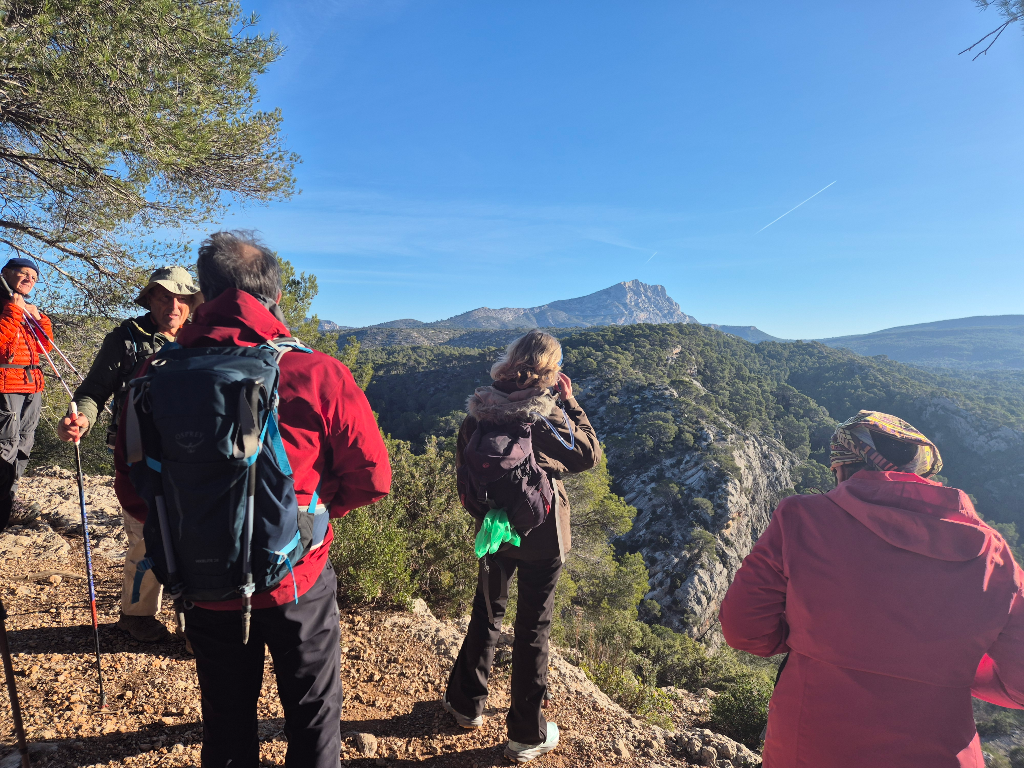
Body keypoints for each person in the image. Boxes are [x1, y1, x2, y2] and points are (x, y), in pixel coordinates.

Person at [116, 231, 391, 768]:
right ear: (276, 297)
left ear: (203, 295)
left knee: (225, 721)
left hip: (201, 581)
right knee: (313, 720)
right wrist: (309, 511)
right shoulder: (317, 372)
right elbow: (373, 479)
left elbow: (133, 490)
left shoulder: (150, 378)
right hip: (297, 579)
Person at [719, 410, 1024, 768]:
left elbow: (744, 630)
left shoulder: (802, 518)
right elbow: (1018, 685)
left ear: (845, 467)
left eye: (834, 472)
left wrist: (814, 640)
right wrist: (942, 665)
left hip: (812, 747)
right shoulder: (994, 553)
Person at [443, 330, 601, 763]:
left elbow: (464, 468)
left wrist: (486, 516)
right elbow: (588, 456)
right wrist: (570, 402)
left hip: (495, 529)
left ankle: (464, 705)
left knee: (486, 612)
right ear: (551, 371)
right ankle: (526, 733)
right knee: (533, 628)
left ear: (511, 360)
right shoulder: (545, 416)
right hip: (543, 533)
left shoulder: (479, 410)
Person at [59, 266, 202, 643]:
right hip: (136, 457)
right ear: (150, 299)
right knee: (145, 534)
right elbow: (92, 391)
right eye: (163, 296)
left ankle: (196, 623)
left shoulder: (202, 339)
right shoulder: (125, 339)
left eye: (181, 297)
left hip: (193, 457)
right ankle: (136, 615)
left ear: (191, 303)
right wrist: (80, 420)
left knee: (196, 537)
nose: (173, 304)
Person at [0, 257, 52, 531]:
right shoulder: (5, 305)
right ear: (6, 272)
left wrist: (39, 318)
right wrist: (13, 312)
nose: (29, 279)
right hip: (5, 383)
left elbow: (45, 347)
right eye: (24, 274)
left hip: (32, 383)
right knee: (5, 445)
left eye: (34, 276)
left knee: (23, 444)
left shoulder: (24, 307)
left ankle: (9, 498)